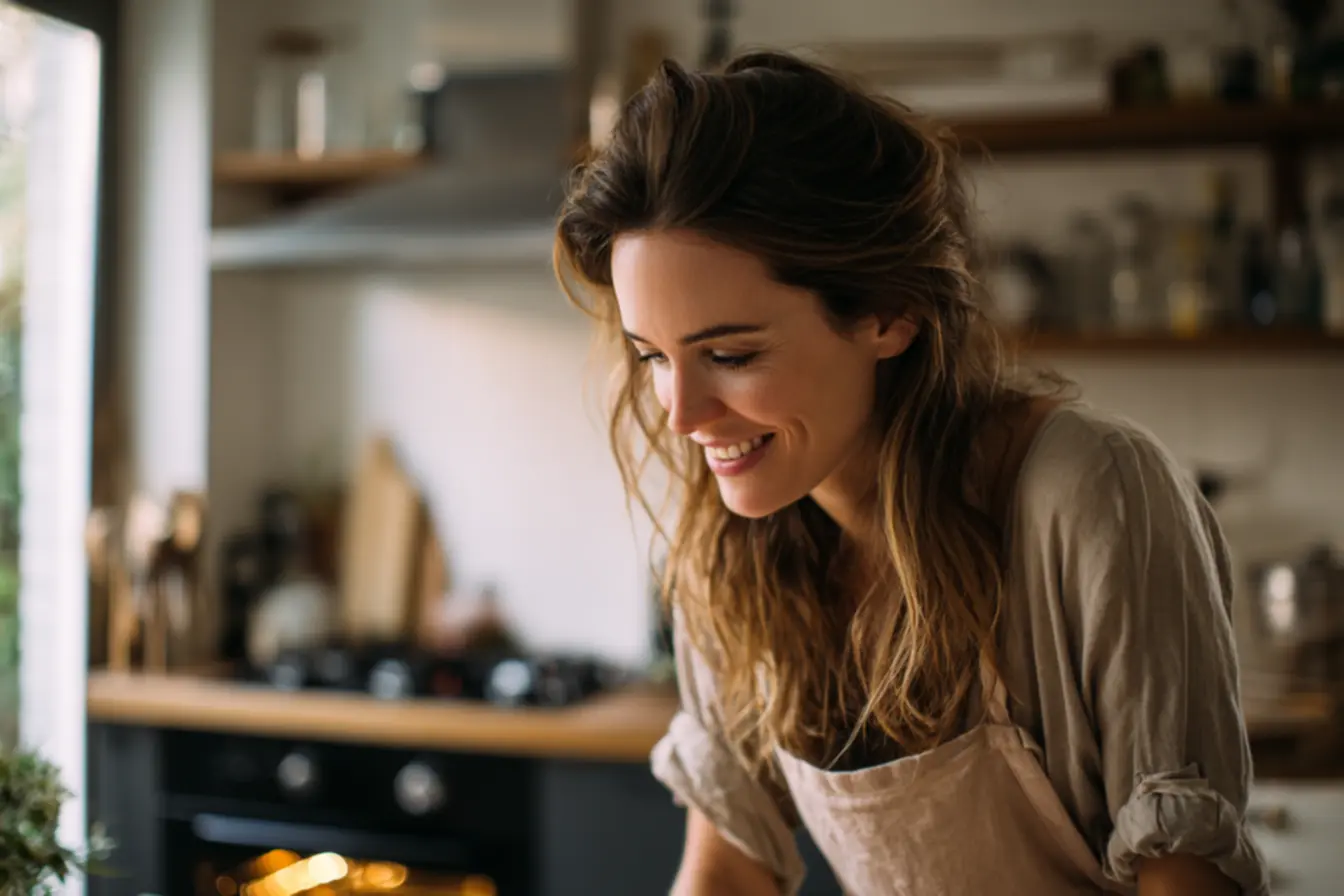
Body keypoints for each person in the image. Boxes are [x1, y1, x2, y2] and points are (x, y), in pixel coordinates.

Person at [553, 50, 1268, 896]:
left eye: (732, 354)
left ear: (890, 311)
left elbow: (1182, 876)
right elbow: (729, 869)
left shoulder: (1090, 494)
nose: (682, 415)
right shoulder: (732, 544)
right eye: (653, 358)